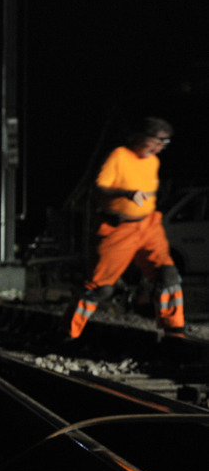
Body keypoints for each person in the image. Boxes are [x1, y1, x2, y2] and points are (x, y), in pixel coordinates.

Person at [66, 117, 184, 339]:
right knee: (100, 288)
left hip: (148, 225)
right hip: (117, 228)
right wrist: (126, 193)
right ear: (140, 137)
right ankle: (68, 332)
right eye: (155, 142)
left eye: (163, 144)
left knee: (167, 275)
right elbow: (99, 187)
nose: (157, 149)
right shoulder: (119, 156)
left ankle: (174, 331)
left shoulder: (153, 161)